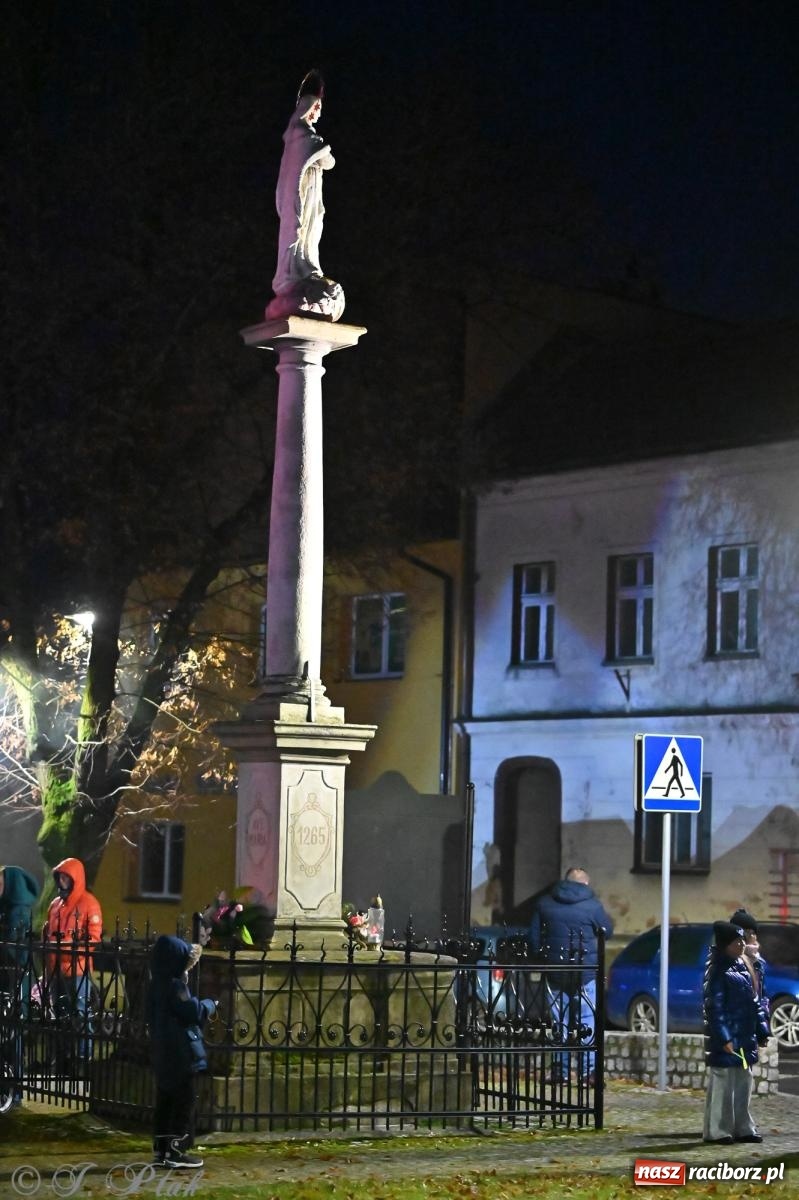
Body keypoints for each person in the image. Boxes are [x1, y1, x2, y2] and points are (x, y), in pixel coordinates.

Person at [266, 71, 343, 320]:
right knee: (298, 231)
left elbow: (328, 161)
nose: (319, 113)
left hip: (311, 195)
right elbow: (327, 159)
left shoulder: (303, 134)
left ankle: (307, 271)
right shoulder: (300, 132)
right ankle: (296, 274)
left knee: (311, 231)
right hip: (302, 194)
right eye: (317, 107)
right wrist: (320, 154)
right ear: (309, 107)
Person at [529, 867, 614, 1083]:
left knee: (559, 1023)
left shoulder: (545, 903)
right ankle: (588, 1073)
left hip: (556, 973)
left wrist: (543, 957)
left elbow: (534, 938)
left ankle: (560, 1071)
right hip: (584, 972)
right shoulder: (592, 906)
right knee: (586, 1022)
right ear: (585, 884)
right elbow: (607, 930)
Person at [148, 936, 216, 1170]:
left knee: (165, 1101)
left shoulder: (155, 983)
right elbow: (193, 1012)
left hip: (163, 1052)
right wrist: (209, 1004)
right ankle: (177, 1150)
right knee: (184, 1102)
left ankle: (162, 1149)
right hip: (181, 1053)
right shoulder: (175, 987)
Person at [703, 920, 769, 1144]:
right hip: (729, 1039)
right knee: (723, 1083)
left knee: (743, 1082)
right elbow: (715, 1008)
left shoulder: (743, 966)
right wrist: (724, 1037)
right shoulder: (718, 970)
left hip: (744, 1036)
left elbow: (754, 1003)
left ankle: (743, 1126)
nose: (742, 944)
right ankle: (718, 1130)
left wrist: (761, 1031)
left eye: (743, 939)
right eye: (737, 940)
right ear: (725, 945)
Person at [42, 857, 103, 1068]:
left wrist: (66, 945)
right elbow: (47, 931)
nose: (62, 881)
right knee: (58, 1014)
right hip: (55, 969)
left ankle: (83, 1057)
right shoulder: (55, 905)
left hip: (77, 970)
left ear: (75, 878)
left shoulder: (89, 903)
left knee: (80, 1014)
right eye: (60, 877)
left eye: (66, 877)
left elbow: (94, 938)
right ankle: (62, 1057)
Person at [0, 866, 40, 1108]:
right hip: (6, 977)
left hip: (15, 979)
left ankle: (15, 1090)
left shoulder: (19, 911)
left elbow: (14, 947)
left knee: (13, 1034)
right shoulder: (6, 908)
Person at [730, 908, 768, 1014]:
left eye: (754, 932)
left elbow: (762, 996)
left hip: (752, 1023)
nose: (753, 936)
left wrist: (763, 1019)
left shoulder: (758, 962)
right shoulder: (729, 960)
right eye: (748, 932)